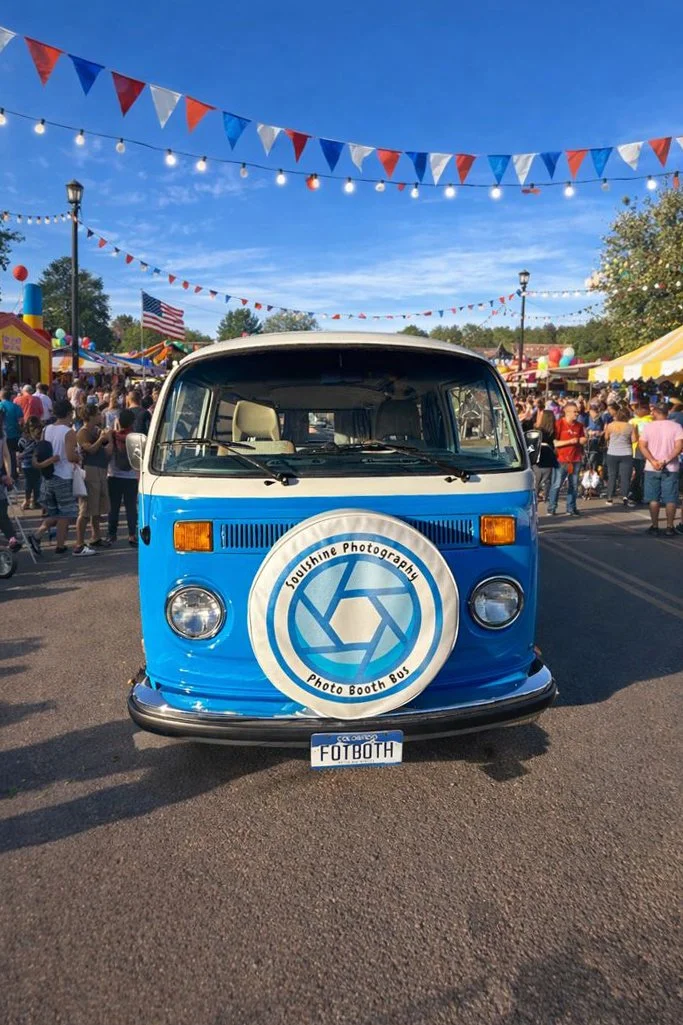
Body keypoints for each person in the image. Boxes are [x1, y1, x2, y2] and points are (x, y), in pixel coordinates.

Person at [28, 400, 79, 556]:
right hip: (64, 475)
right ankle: (59, 544)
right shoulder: (69, 432)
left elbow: (41, 449)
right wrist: (80, 456)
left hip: (48, 474)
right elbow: (70, 456)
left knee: (55, 512)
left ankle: (38, 535)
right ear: (69, 413)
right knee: (65, 513)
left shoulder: (47, 429)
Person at [638, 405, 683, 537]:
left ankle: (655, 526)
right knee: (671, 499)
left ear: (656, 412)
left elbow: (642, 446)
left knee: (653, 498)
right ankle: (669, 527)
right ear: (667, 412)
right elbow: (678, 447)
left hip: (652, 467)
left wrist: (653, 461)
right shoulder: (676, 427)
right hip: (671, 467)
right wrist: (666, 460)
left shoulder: (648, 427)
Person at [74, 405, 112, 556]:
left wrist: (108, 438)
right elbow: (90, 449)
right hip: (89, 471)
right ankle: (79, 543)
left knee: (97, 508)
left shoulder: (96, 430)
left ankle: (96, 537)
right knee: (86, 509)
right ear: (90, 416)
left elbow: (107, 451)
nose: (100, 416)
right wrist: (101, 439)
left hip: (101, 470)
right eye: (97, 414)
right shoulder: (82, 432)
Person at [547, 402, 586, 516]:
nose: (577, 414)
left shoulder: (579, 425)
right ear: (567, 412)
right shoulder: (559, 424)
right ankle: (552, 508)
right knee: (557, 484)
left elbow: (582, 438)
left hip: (575, 459)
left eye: (577, 412)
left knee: (573, 485)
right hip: (561, 459)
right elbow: (555, 443)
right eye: (574, 412)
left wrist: (583, 440)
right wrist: (570, 441)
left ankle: (571, 508)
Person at [108, 408, 138, 546]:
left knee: (113, 507)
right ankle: (132, 534)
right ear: (132, 422)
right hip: (130, 476)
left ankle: (111, 534)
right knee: (131, 507)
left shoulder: (113, 435)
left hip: (114, 474)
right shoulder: (135, 438)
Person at [604, 409, 636, 506]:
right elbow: (634, 440)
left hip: (612, 452)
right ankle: (625, 497)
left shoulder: (610, 425)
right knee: (625, 476)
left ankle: (610, 498)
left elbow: (606, 437)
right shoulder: (630, 427)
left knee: (612, 475)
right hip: (626, 453)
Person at [0, 411, 21, 552]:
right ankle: (11, 538)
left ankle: (12, 538)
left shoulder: (2, 435)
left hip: (1, 476)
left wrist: (8, 474)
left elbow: (6, 455)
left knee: (2, 509)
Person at [629, 402, 653, 504]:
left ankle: (640, 494)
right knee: (639, 473)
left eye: (639, 408)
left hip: (644, 450)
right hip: (637, 450)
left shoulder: (650, 420)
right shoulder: (633, 421)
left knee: (641, 473)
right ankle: (638, 493)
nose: (636, 411)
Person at [17, 415, 42, 510]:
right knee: (36, 483)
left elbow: (20, 449)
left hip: (26, 465)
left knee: (29, 483)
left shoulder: (23, 438)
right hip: (36, 464)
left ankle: (27, 501)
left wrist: (20, 459)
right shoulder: (38, 438)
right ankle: (34, 501)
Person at [532, 410, 558, 502]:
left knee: (536, 479)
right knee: (547, 479)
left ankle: (536, 496)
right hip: (549, 456)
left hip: (538, 457)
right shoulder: (554, 431)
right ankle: (545, 495)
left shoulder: (538, 431)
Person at [0, 386, 23, 479]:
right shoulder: (16, 407)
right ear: (10, 396)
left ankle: (5, 475)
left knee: (3, 455)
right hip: (14, 434)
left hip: (2, 435)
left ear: (1, 396)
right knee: (11, 455)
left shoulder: (0, 405)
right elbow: (21, 421)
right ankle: (13, 474)